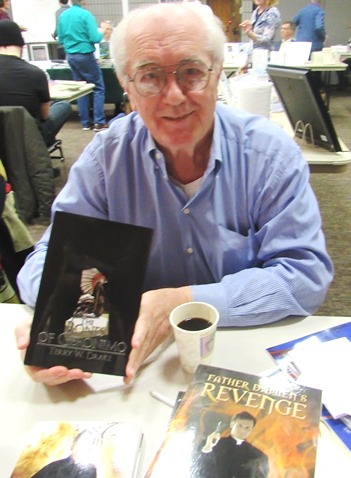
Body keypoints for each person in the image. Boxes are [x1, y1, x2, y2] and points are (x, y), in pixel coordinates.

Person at [16, 2, 333, 386]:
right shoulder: (107, 160)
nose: (174, 96)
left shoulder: (269, 156)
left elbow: (305, 277)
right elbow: (45, 261)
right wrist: (57, 310)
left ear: (218, 74)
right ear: (127, 86)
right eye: (150, 76)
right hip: (136, 370)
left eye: (192, 72)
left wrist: (183, 301)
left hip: (240, 362)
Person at [0, 20, 72, 147]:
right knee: (63, 105)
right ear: (21, 45)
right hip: (30, 140)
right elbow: (44, 116)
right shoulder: (36, 74)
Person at [57, 0, 107, 132]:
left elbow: (60, 39)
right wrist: (102, 31)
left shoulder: (63, 15)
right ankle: (99, 122)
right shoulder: (86, 15)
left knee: (81, 89)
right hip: (85, 54)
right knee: (97, 88)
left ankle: (85, 123)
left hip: (70, 56)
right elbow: (95, 38)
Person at [200, 412, 268, 477]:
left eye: (247, 428)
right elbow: (201, 466)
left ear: (251, 429)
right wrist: (208, 447)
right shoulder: (214, 444)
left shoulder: (257, 456)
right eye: (240, 426)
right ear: (232, 424)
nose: (243, 430)